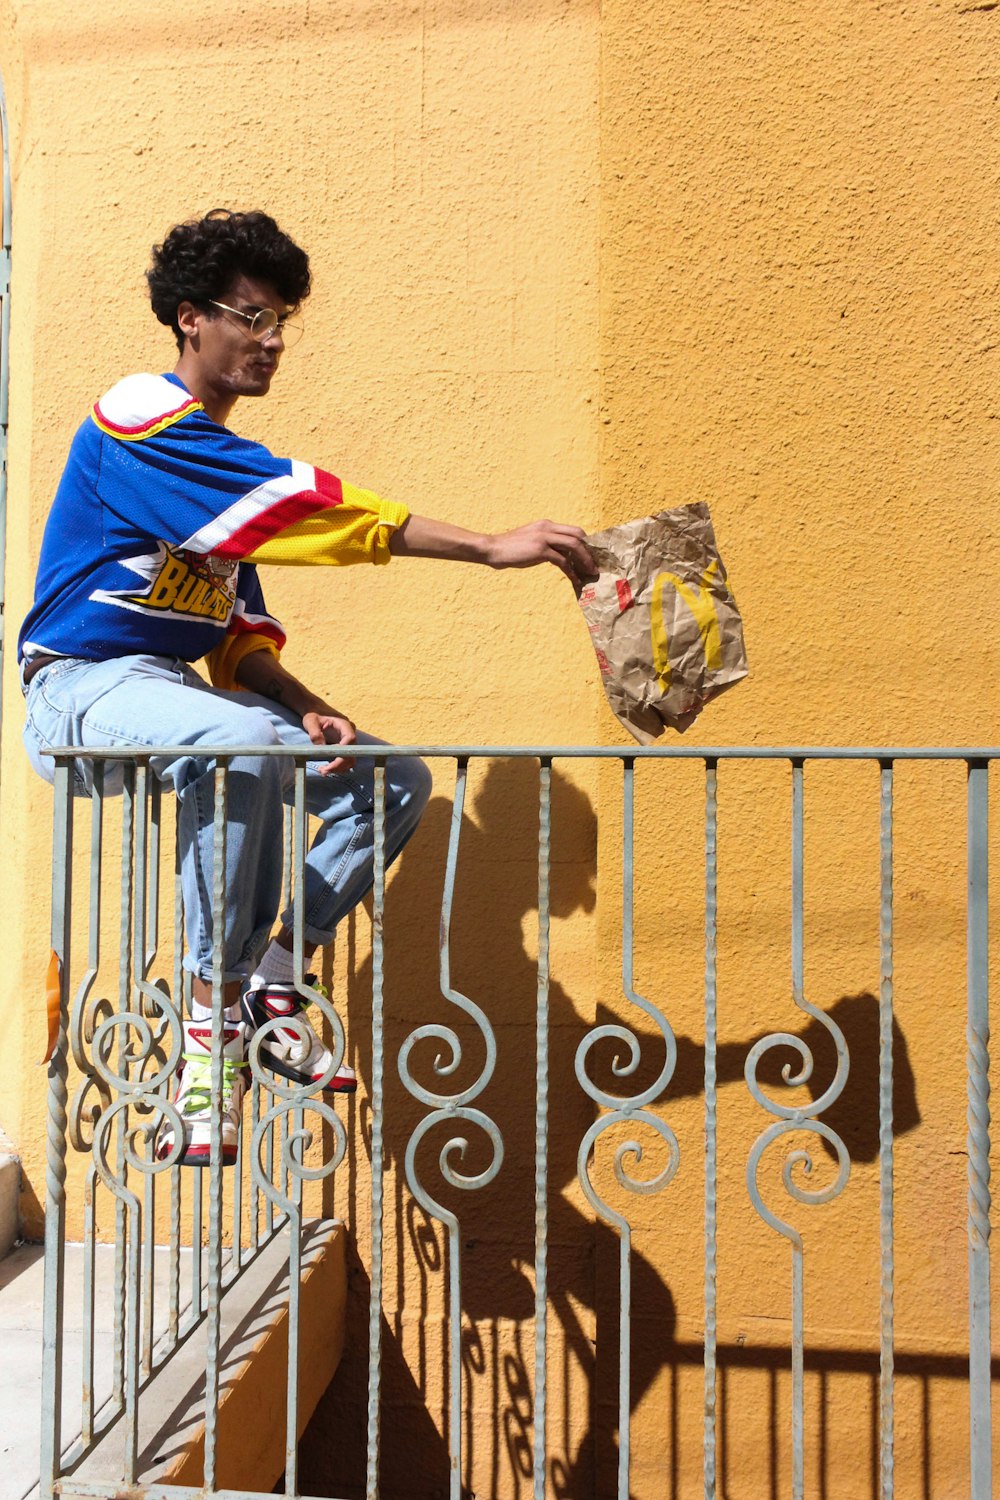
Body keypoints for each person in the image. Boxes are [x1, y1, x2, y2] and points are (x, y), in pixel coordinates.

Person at [19, 208, 597, 1166]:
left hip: (169, 690)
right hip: (77, 691)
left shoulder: (219, 506)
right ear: (189, 320)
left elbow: (236, 640)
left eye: (282, 321)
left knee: (392, 779)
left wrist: (296, 702)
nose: (272, 341)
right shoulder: (138, 418)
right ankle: (209, 1034)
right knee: (246, 746)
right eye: (252, 316)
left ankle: (272, 977)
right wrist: (491, 547)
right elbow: (313, 506)